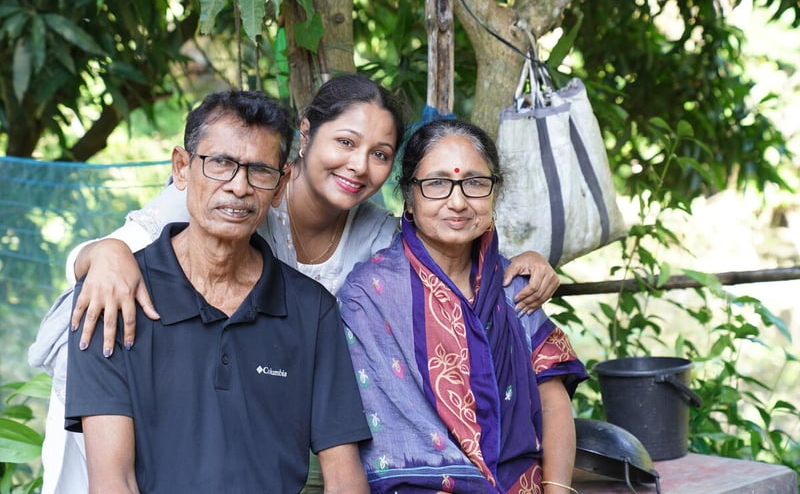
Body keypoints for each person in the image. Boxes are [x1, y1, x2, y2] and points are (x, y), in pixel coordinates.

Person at [29, 74, 559, 493]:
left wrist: (521, 259)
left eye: (379, 153)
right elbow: (116, 251)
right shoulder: (223, 187)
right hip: (133, 399)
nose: (359, 165)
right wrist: (104, 254)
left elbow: (445, 247)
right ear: (305, 137)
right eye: (346, 141)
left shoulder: (368, 244)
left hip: (258, 419)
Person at [65, 90, 371, 493]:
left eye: (260, 171)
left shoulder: (311, 310)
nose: (239, 187)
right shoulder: (112, 295)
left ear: (280, 186)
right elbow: (113, 481)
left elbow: (344, 478)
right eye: (221, 163)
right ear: (181, 168)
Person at [338, 119, 588, 493]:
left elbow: (552, 402)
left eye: (474, 183)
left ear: (494, 193)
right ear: (409, 196)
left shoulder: (514, 285)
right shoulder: (369, 294)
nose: (457, 202)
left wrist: (557, 490)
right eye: (437, 183)